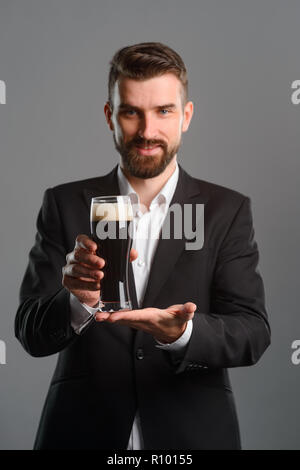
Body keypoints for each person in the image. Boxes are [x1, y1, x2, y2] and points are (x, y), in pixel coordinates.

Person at [15, 42, 271, 450]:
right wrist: (76, 302)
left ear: (186, 116)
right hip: (79, 433)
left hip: (193, 436)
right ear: (109, 116)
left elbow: (253, 332)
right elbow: (29, 331)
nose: (147, 131)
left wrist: (183, 333)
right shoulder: (63, 204)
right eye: (131, 111)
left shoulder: (228, 210)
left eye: (163, 111)